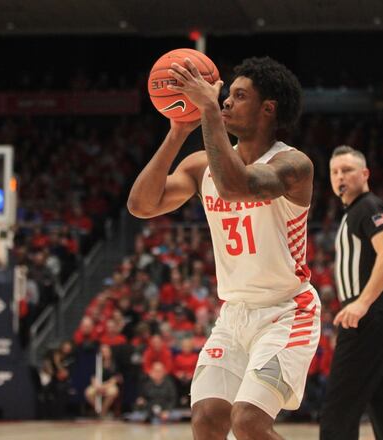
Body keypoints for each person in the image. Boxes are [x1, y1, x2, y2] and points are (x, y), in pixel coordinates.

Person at [128, 56, 318, 440]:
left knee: (248, 422)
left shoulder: (293, 164)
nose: (226, 101)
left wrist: (209, 111)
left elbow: (235, 186)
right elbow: (141, 205)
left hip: (287, 312)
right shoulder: (201, 165)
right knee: (207, 419)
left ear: (268, 109)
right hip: (233, 315)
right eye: (226, 95)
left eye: (240, 96)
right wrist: (177, 133)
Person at [320, 145, 383, 439]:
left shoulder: (369, 207)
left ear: (365, 174)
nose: (340, 177)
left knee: (337, 415)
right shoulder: (356, 211)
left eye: (347, 170)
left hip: (369, 318)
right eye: (334, 172)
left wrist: (362, 303)